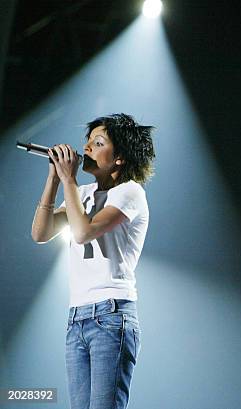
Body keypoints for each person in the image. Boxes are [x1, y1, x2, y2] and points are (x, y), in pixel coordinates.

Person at [31, 113, 155, 409]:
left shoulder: (129, 192)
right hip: (77, 317)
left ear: (120, 158)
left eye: (98, 143)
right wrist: (54, 178)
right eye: (87, 142)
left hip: (112, 315)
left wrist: (68, 179)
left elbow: (84, 232)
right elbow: (40, 232)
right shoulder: (81, 193)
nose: (86, 149)